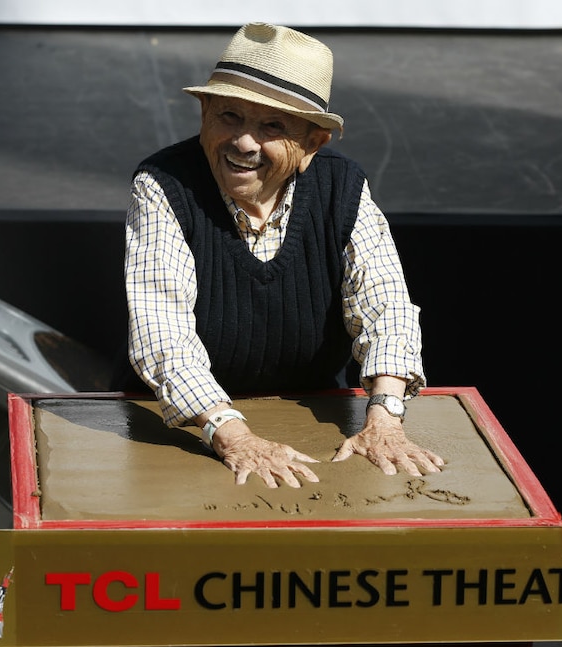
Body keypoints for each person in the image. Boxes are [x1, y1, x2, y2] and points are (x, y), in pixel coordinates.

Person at [124, 22, 444, 488]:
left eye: (272, 126)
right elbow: (162, 335)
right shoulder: (162, 185)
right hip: (183, 426)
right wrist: (235, 437)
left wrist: (385, 418)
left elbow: (385, 307)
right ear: (204, 112)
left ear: (313, 143)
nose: (244, 142)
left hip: (309, 413)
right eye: (229, 116)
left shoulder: (342, 187)